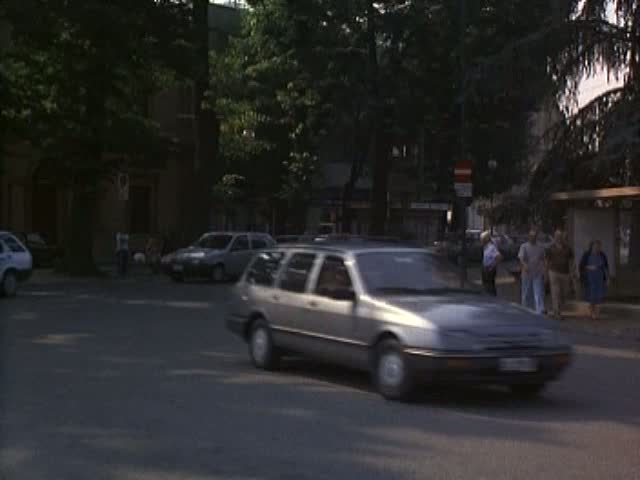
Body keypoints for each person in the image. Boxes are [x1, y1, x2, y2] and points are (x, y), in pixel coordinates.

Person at [545, 229, 575, 319]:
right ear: (554, 237)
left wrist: (572, 272)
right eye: (557, 236)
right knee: (555, 292)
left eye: (560, 236)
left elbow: (571, 260)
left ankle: (559, 309)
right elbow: (547, 261)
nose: (558, 238)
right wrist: (546, 273)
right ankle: (557, 312)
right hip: (553, 272)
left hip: (565, 273)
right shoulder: (550, 248)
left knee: (564, 294)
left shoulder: (568, 248)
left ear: (562, 237)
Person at [518, 228, 546, 314]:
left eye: (534, 236)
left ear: (536, 237)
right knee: (526, 292)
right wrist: (524, 265)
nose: (532, 237)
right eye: (531, 236)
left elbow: (543, 259)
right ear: (529, 236)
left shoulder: (540, 246)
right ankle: (525, 310)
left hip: (537, 272)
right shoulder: (524, 246)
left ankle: (539, 310)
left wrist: (544, 269)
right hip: (527, 273)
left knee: (538, 292)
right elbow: (521, 258)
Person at [579, 240, 609, 319]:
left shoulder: (602, 255)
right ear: (592, 246)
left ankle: (596, 312)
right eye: (595, 246)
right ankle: (592, 310)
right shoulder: (587, 254)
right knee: (591, 294)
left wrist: (607, 278)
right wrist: (589, 267)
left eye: (598, 246)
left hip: (599, 278)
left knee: (599, 295)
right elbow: (581, 266)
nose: (597, 248)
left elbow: (605, 267)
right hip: (590, 277)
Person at [481, 231, 502, 296]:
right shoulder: (485, 247)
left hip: (489, 269)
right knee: (486, 285)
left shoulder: (491, 247)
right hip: (485, 268)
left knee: (490, 286)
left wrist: (492, 266)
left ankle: (492, 298)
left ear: (486, 239)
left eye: (482, 239)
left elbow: (499, 257)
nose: (481, 241)